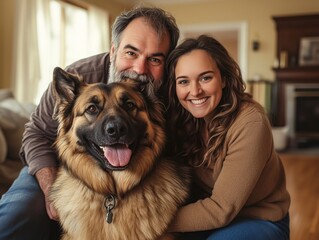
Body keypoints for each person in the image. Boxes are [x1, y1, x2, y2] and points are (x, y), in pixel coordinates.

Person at [0, 6, 179, 240]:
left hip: (138, 177)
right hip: (60, 170)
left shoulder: (175, 90)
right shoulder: (78, 74)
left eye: (155, 59)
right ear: (114, 50)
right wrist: (51, 190)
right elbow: (36, 133)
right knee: (16, 216)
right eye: (131, 53)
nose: (139, 69)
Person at [163, 35, 290, 240]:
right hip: (206, 214)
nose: (194, 91)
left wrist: (149, 222)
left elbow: (222, 209)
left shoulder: (250, 123)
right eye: (183, 81)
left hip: (258, 219)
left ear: (223, 78)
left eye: (205, 77)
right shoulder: (183, 118)